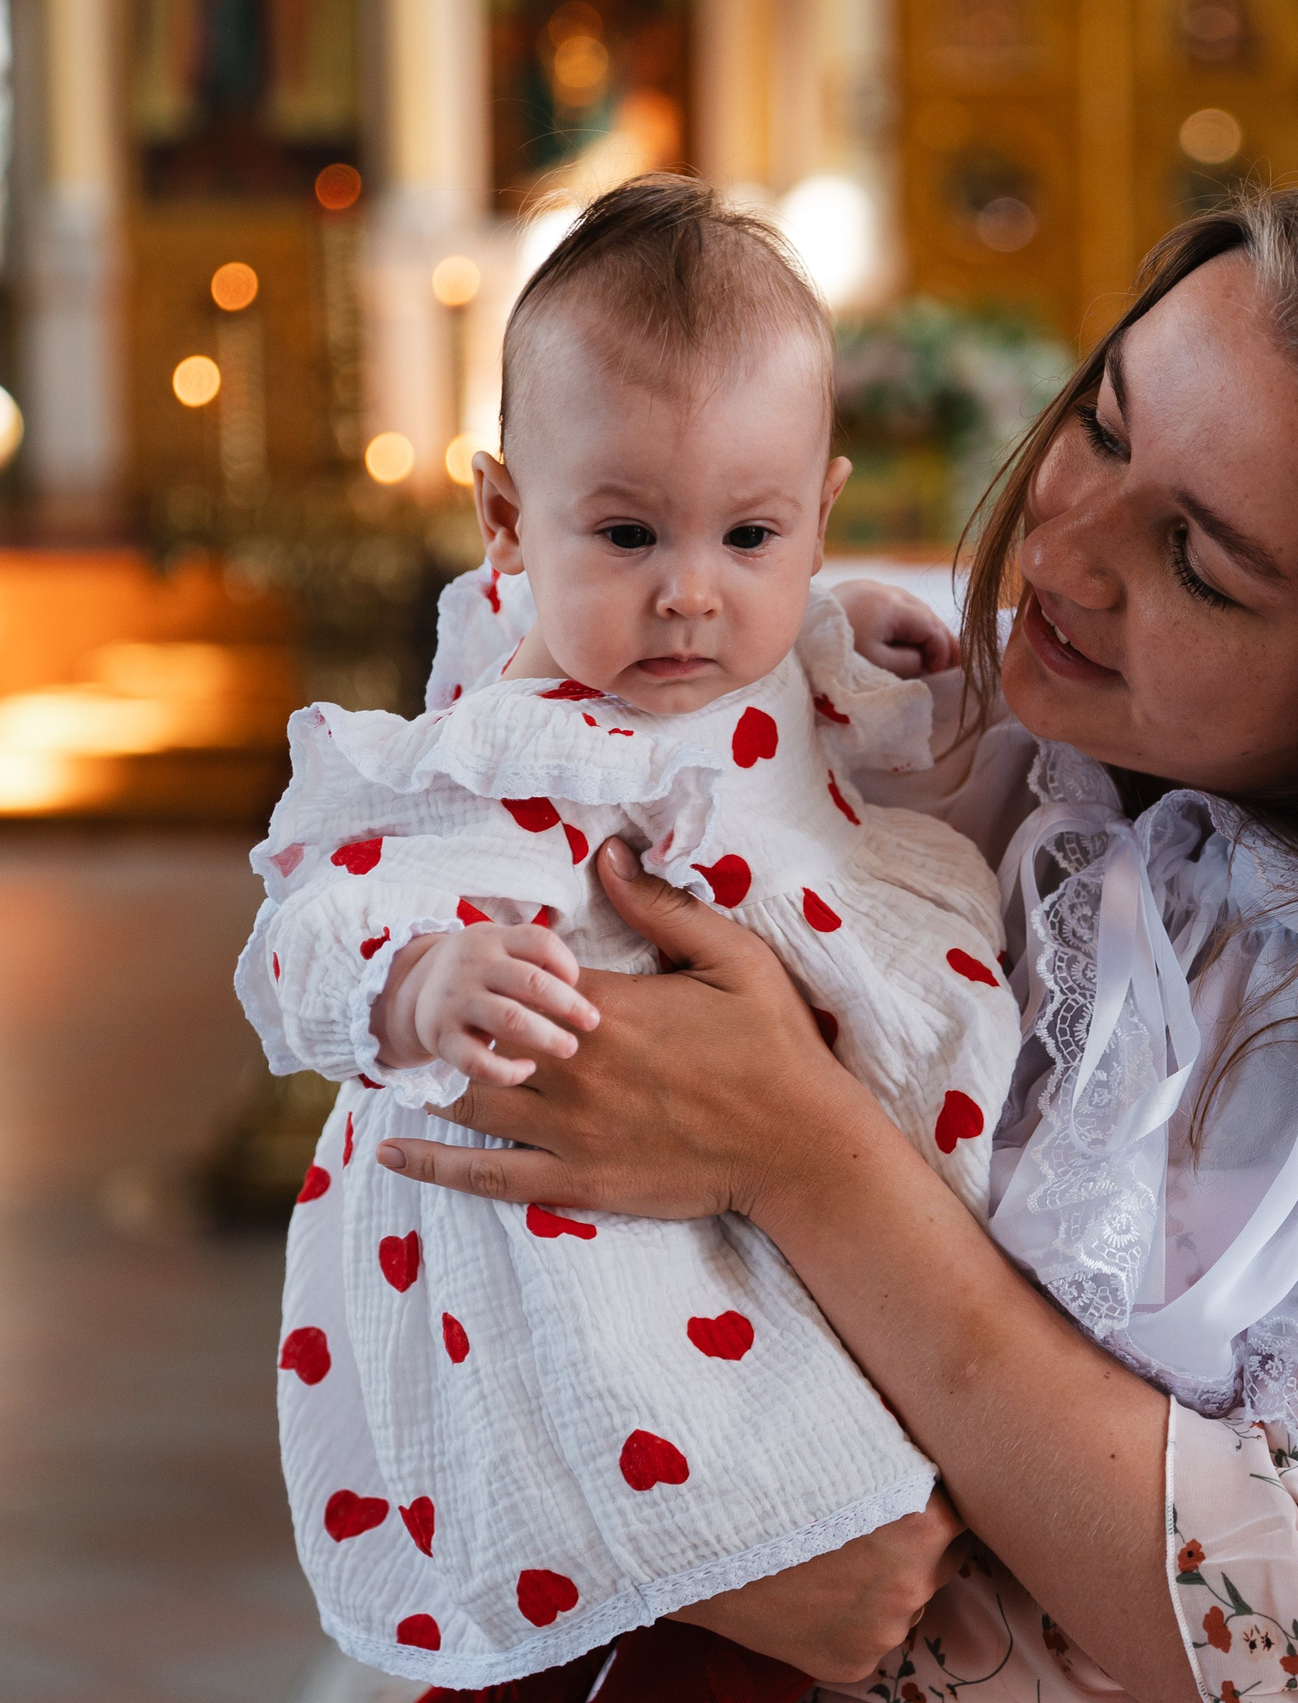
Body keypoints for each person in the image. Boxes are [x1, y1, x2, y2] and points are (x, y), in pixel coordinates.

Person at [377, 164, 1298, 1702]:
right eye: (1100, 424)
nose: (1065, 557)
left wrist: (810, 1161)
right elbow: (450, 1140)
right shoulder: (922, 717)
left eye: (1198, 565)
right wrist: (665, 1529)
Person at [234, 177, 1020, 1689]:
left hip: (790, 1228)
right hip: (587, 1281)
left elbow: (781, 692)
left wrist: (846, 624)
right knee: (623, 1618)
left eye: (749, 532)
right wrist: (413, 985)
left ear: (819, 508)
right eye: (628, 532)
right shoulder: (497, 754)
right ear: (509, 518)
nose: (688, 596)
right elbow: (297, 939)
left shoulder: (765, 647)